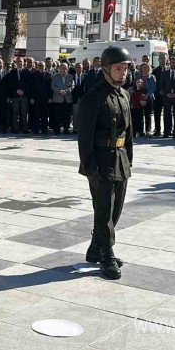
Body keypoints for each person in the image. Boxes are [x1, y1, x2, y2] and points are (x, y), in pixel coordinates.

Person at [77, 46, 134, 280]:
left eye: (125, 69)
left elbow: (129, 132)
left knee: (116, 208)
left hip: (120, 158)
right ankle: (106, 254)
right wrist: (90, 168)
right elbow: (84, 136)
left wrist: (129, 158)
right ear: (106, 70)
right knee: (104, 210)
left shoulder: (123, 94)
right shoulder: (94, 96)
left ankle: (95, 247)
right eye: (118, 69)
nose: (123, 73)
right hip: (101, 160)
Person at [5, 57, 29, 133]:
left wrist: (23, 91)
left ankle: (25, 128)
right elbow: (10, 84)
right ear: (16, 63)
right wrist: (16, 91)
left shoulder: (27, 72)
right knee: (15, 113)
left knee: (24, 113)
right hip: (15, 96)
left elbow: (29, 84)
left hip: (24, 96)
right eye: (18, 61)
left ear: (23, 62)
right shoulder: (12, 72)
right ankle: (14, 128)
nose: (19, 63)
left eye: (21, 61)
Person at [51, 62, 74, 134]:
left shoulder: (70, 76)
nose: (64, 69)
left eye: (65, 68)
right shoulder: (55, 76)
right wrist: (60, 91)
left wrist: (66, 91)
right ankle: (57, 130)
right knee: (57, 115)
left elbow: (72, 85)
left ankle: (66, 129)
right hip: (58, 98)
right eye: (63, 68)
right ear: (59, 68)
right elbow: (53, 86)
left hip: (67, 98)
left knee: (67, 115)